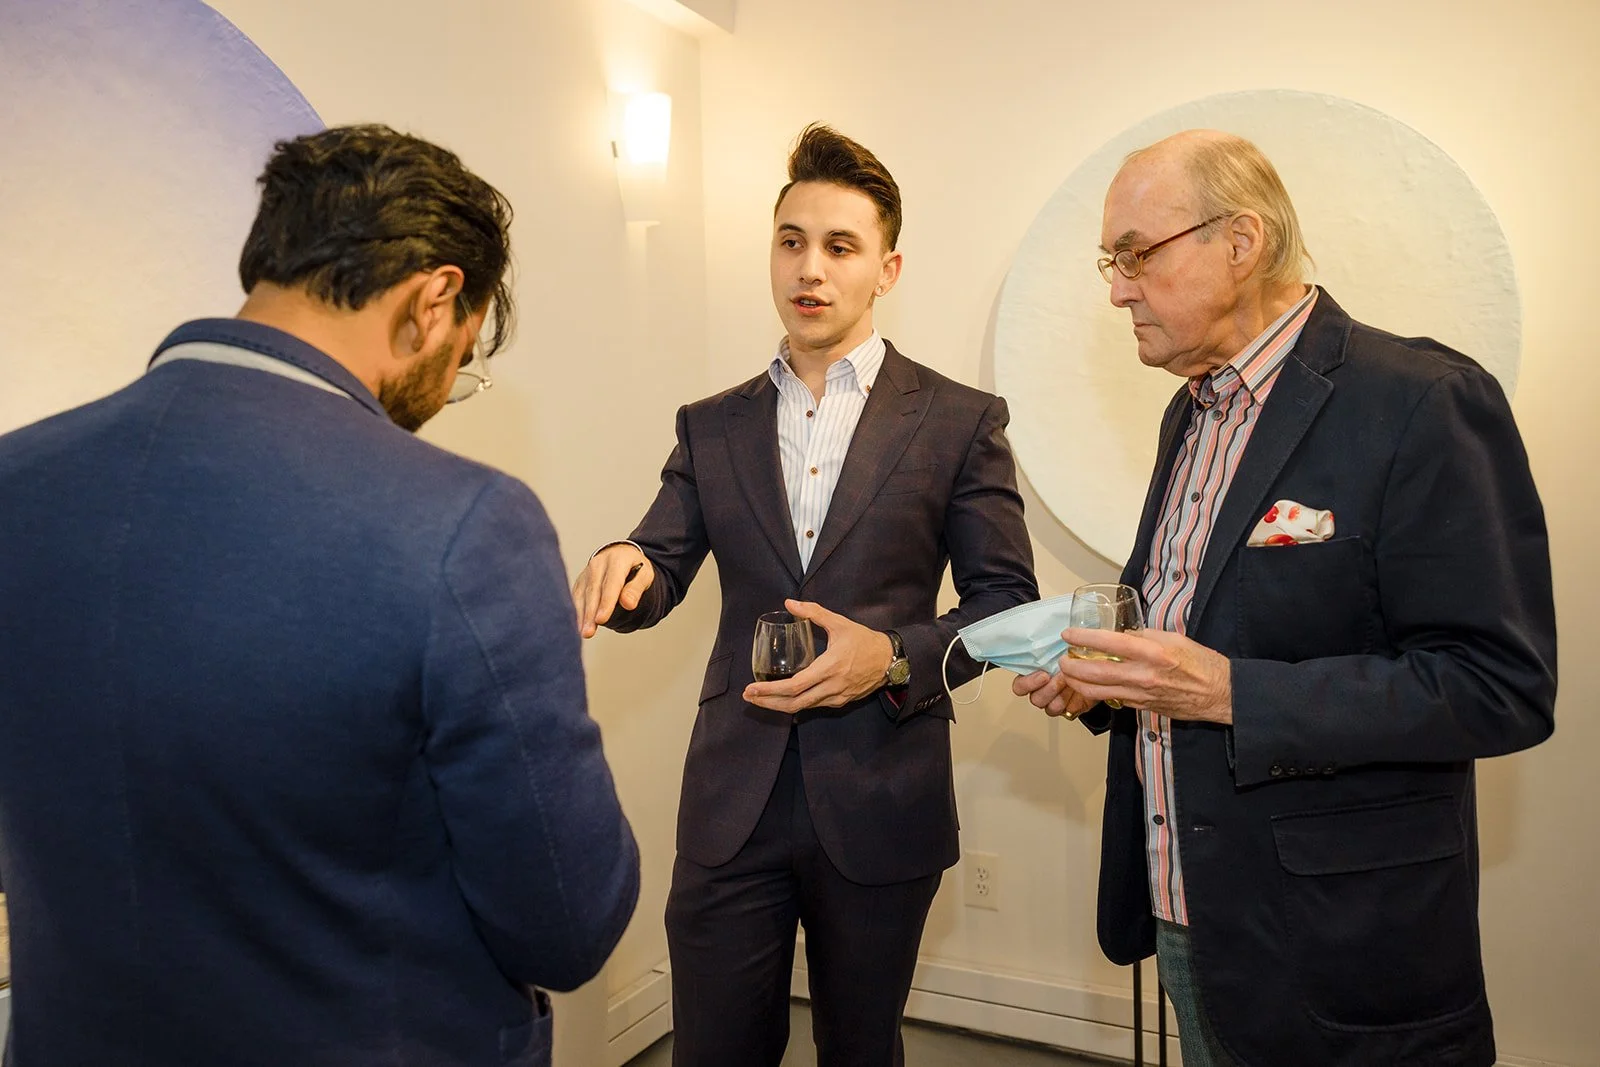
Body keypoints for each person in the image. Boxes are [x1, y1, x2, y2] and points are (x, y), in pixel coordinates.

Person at [0, 124, 638, 1067]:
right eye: (463, 354)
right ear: (434, 300)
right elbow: (567, 924)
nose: (447, 383)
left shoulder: (18, 480)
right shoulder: (467, 525)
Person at [1014, 129, 1557, 1066]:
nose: (1115, 288)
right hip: (1190, 909)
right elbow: (1201, 622)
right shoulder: (1188, 412)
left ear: (1241, 242)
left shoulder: (1422, 401)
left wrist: (1229, 693)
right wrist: (1119, 679)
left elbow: (1497, 685)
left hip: (1342, 948)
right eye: (1112, 261)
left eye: (1136, 254)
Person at [573, 124, 1037, 1066]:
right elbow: (659, 565)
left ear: (887, 267)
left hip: (881, 791)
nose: (809, 269)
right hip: (731, 794)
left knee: (861, 1050)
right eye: (791, 241)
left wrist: (893, 657)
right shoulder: (712, 425)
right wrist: (624, 561)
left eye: (839, 246)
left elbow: (1006, 608)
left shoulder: (958, 421)